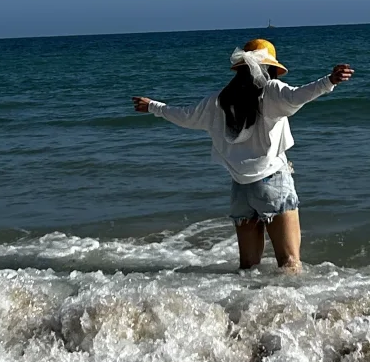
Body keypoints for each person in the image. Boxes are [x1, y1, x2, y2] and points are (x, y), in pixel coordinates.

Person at [133, 38, 354, 272]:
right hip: (273, 183)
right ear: (270, 68)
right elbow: (299, 95)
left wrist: (152, 106)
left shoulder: (218, 100)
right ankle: (289, 308)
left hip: (240, 189)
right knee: (289, 263)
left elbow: (184, 116)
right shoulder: (271, 91)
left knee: (248, 267)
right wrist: (330, 81)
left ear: (239, 68)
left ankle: (242, 305)